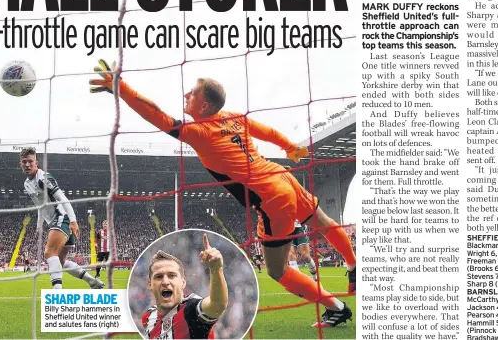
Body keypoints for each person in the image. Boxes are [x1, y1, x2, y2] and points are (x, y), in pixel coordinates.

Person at [90, 61, 356, 327]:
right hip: (281, 175)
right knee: (324, 222)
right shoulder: (234, 118)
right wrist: (289, 147)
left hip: (271, 197)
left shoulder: (200, 132)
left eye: (192, 93)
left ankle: (337, 307)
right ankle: (354, 266)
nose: (186, 95)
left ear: (204, 106)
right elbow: (266, 131)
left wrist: (120, 87)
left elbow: (157, 117)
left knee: (278, 270)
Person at [20, 147, 104, 289]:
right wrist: (39, 226)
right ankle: (92, 281)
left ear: (36, 163)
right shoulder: (27, 184)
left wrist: (73, 221)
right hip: (57, 221)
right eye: (24, 162)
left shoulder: (43, 178)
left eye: (30, 161)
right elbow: (41, 205)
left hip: (62, 217)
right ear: (20, 164)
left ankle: (57, 294)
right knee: (61, 260)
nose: (27, 165)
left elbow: (63, 199)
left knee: (49, 253)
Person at [141, 235, 228, 339]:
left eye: (171, 275)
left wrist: (216, 269)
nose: (165, 281)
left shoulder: (191, 309)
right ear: (150, 284)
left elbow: (217, 305)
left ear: (183, 282)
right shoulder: (148, 317)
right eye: (159, 276)